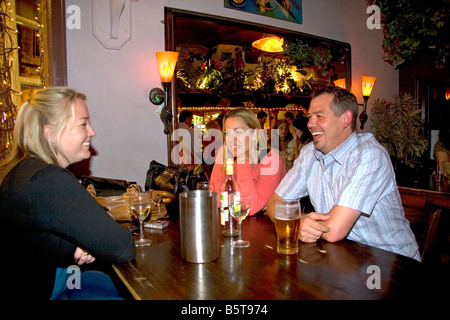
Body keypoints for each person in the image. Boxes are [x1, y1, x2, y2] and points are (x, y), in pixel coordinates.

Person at [0, 87, 136, 300]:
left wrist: (82, 240)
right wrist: (85, 240)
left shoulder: (26, 170)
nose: (92, 132)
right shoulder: (47, 179)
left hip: (63, 279)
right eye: (83, 124)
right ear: (50, 133)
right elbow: (122, 247)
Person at [267, 86, 420, 261]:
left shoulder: (369, 155)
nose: (310, 123)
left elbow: (333, 230)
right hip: (343, 258)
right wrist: (298, 222)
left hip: (393, 265)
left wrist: (295, 221)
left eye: (319, 116)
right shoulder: (310, 153)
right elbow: (274, 202)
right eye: (310, 117)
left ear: (345, 119)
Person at [210, 108, 287, 215]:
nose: (231, 139)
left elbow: (251, 208)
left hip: (270, 228)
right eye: (227, 133)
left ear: (254, 134)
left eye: (238, 131)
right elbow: (213, 198)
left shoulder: (272, 160)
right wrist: (238, 200)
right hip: (236, 225)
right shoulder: (224, 155)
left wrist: (243, 160)